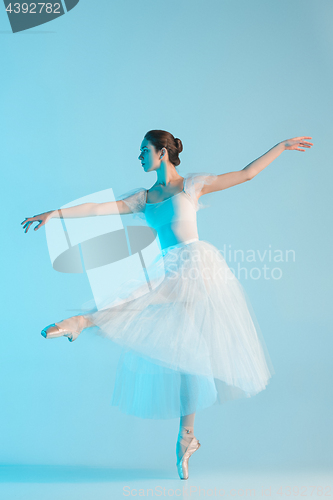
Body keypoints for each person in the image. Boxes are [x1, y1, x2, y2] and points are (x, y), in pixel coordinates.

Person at [21, 130, 313, 479]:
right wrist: (56, 213)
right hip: (168, 267)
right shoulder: (145, 197)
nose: (139, 156)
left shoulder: (192, 185)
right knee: (188, 356)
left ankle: (84, 321)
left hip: (196, 266)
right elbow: (100, 209)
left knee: (145, 300)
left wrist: (281, 147)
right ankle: (186, 438)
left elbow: (246, 174)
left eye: (144, 150)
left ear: (162, 153)